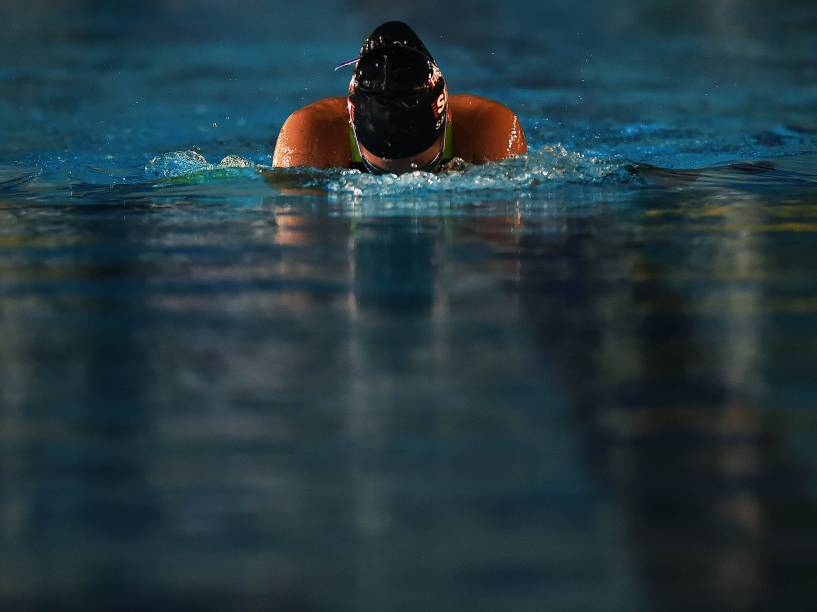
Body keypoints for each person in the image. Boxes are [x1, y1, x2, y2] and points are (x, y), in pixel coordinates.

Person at [272, 21, 527, 174]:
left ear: (446, 113)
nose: (404, 177)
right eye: (379, 169)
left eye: (427, 166)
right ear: (351, 121)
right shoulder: (311, 134)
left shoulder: (490, 129)